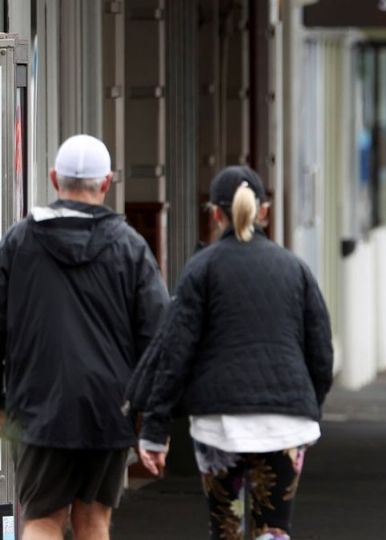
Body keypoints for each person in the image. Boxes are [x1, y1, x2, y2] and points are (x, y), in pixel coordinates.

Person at [127, 166, 334, 540]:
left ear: (216, 213)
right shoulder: (295, 269)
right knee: (274, 531)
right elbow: (321, 353)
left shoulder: (201, 269)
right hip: (286, 422)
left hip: (217, 421)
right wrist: (308, 405)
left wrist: (155, 431)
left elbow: (175, 353)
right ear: (264, 211)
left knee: (225, 529)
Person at [0, 134, 169, 539]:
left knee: (41, 520)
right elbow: (158, 336)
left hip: (38, 407)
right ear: (107, 182)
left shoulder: (18, 242)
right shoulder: (130, 247)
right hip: (108, 409)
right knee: (94, 522)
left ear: (55, 179)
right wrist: (151, 417)